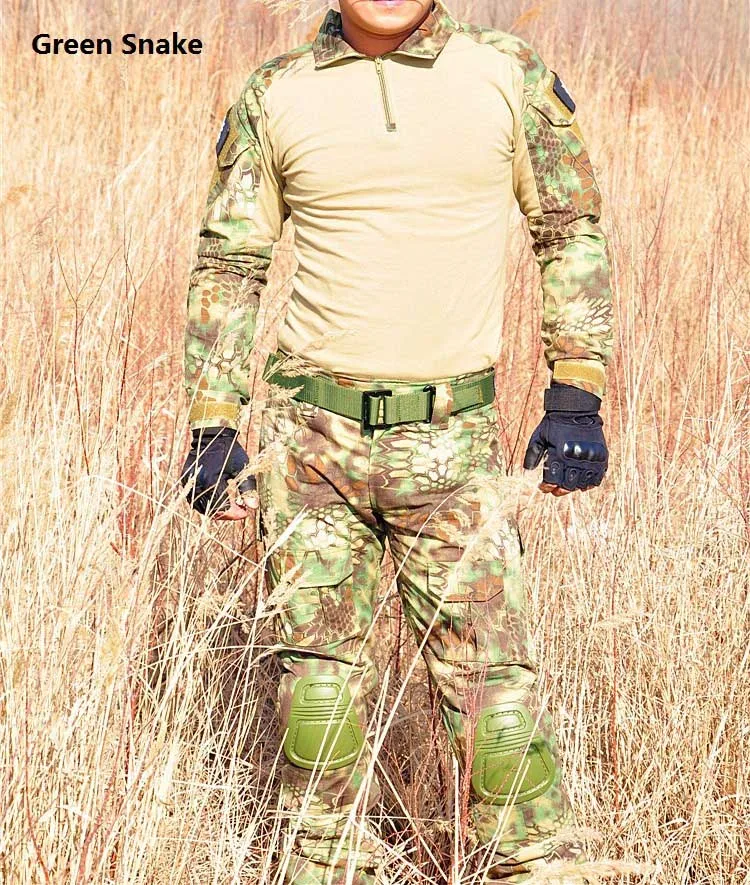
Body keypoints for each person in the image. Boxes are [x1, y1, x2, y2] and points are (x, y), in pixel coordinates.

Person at [180, 0, 613, 881]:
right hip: (311, 447)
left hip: (454, 446)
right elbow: (230, 261)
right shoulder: (276, 92)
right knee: (319, 704)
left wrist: (577, 392)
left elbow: (569, 229)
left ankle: (533, 864)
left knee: (498, 710)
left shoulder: (507, 74)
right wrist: (213, 421)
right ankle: (325, 865)